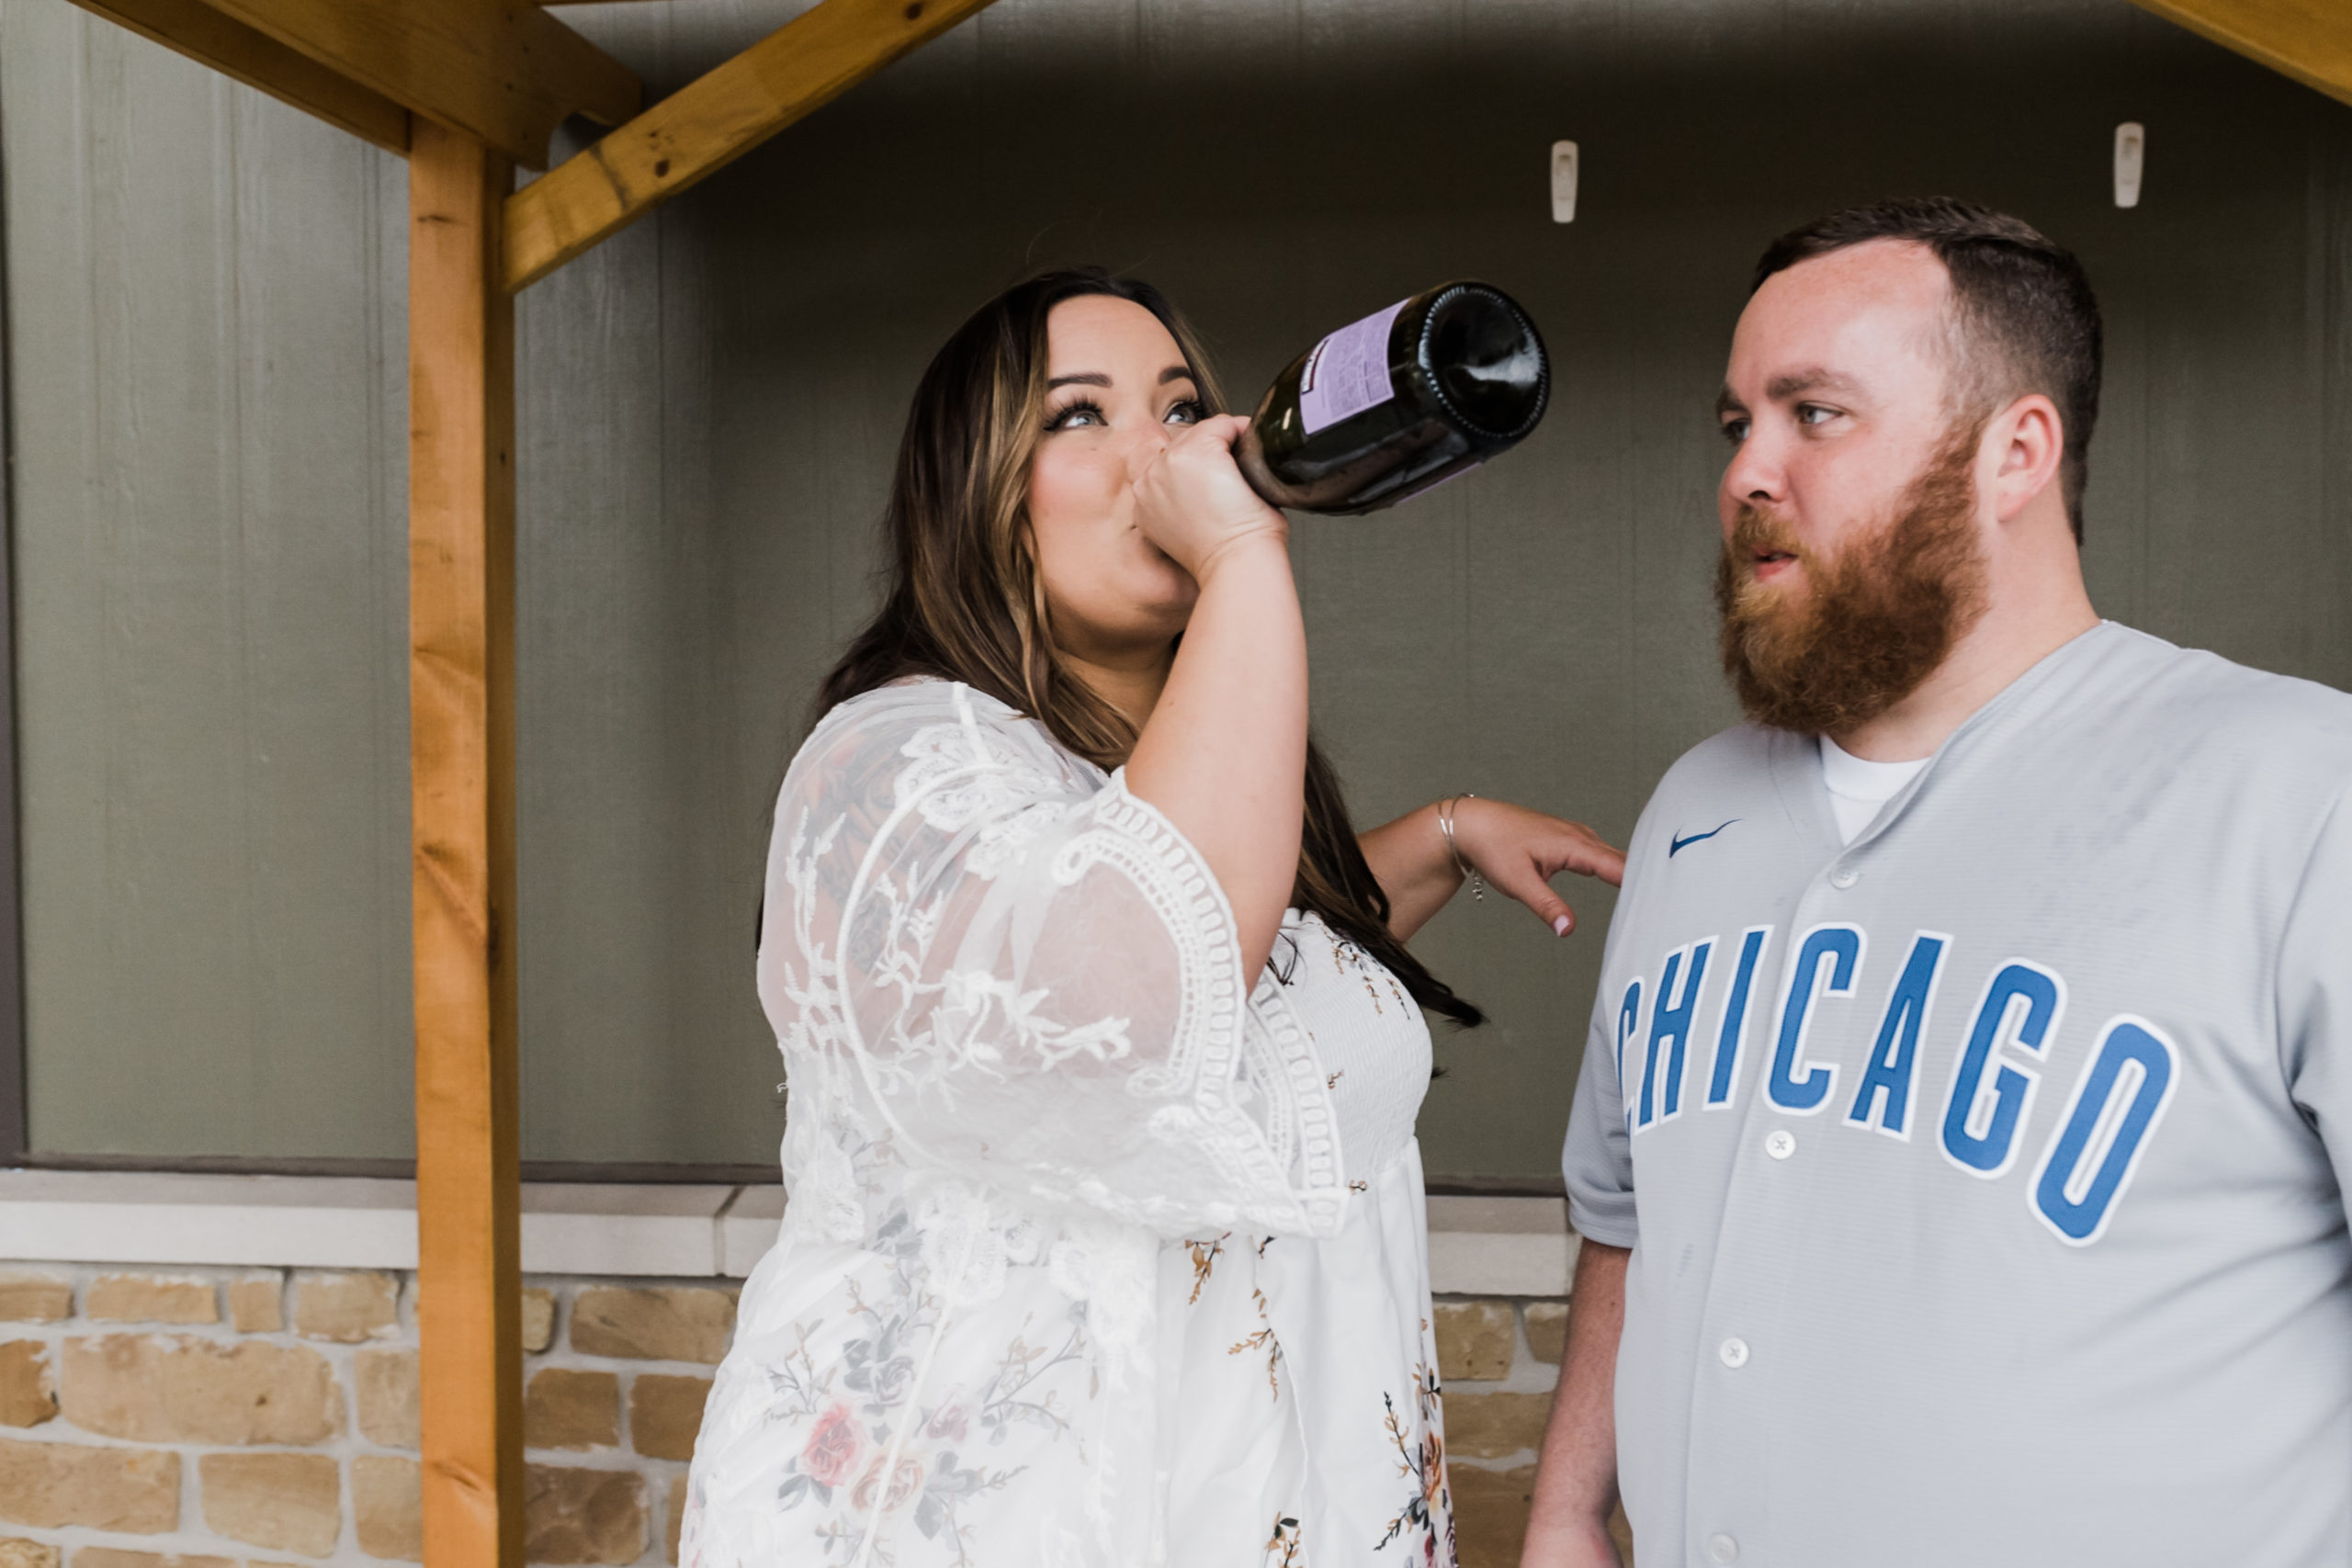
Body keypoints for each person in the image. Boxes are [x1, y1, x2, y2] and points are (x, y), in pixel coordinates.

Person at [679, 267, 1623, 1568]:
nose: (1166, 446)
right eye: (1080, 415)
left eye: (1182, 406)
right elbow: (1131, 1001)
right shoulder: (892, 765)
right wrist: (1243, 559)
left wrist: (1440, 839)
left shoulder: (1171, 784)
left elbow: (1247, 994)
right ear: (981, 495)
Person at [1520, 196, 2352, 1568]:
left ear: (2017, 449)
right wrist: (1561, 1510)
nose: (1747, 472)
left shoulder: (2299, 791)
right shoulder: (1692, 811)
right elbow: (1627, 1222)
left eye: (1815, 414)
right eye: (1738, 425)